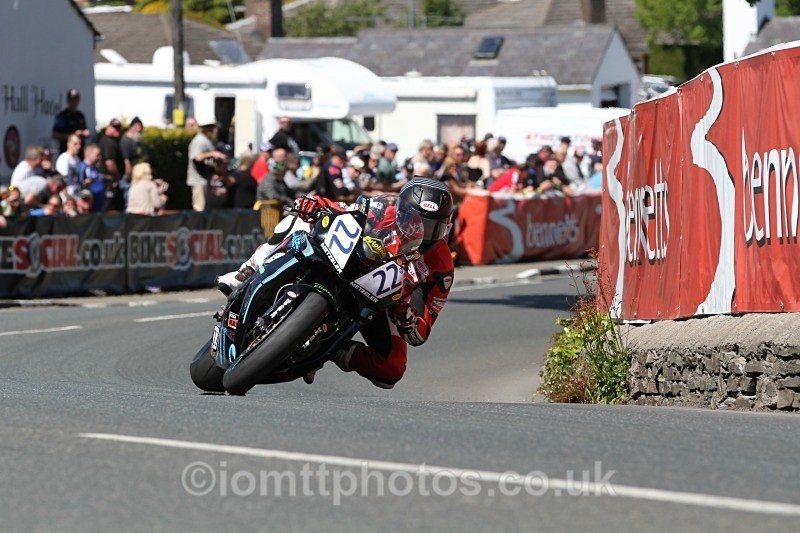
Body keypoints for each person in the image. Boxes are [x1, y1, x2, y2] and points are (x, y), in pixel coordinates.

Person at [215, 177, 456, 389]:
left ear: (445, 227)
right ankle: (247, 270)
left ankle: (330, 349)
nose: (421, 231)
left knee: (391, 370)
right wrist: (316, 203)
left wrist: (407, 317)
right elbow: (344, 209)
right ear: (401, 210)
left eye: (432, 227)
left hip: (381, 301)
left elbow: (420, 334)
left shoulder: (441, 269)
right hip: (348, 259)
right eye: (415, 220)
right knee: (300, 220)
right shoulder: (384, 210)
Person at [186, 115, 228, 211]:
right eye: (210, 127)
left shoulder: (208, 140)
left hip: (207, 179)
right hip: (198, 180)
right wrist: (212, 154)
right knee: (200, 208)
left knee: (207, 208)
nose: (213, 129)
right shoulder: (199, 141)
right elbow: (197, 157)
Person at [52, 88, 90, 154]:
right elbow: (55, 135)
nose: (74, 101)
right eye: (72, 99)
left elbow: (86, 131)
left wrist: (84, 133)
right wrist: (73, 135)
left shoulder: (80, 116)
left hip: (80, 153)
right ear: (68, 100)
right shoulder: (62, 116)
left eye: (76, 99)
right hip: (67, 152)